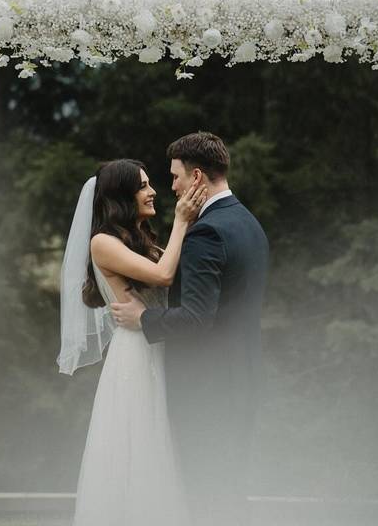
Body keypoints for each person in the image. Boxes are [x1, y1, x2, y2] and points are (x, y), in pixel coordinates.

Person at [111, 132, 270, 526]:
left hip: (207, 389)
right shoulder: (248, 223)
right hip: (242, 378)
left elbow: (197, 319)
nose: (172, 186)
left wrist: (142, 319)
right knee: (228, 490)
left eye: (176, 177)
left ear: (197, 177)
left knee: (205, 494)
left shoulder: (206, 233)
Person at [58, 158, 207, 526]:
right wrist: (182, 221)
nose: (153, 191)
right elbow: (164, 274)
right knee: (139, 442)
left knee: (160, 442)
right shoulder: (102, 243)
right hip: (135, 354)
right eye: (143, 186)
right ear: (122, 195)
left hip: (154, 343)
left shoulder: (139, 239)